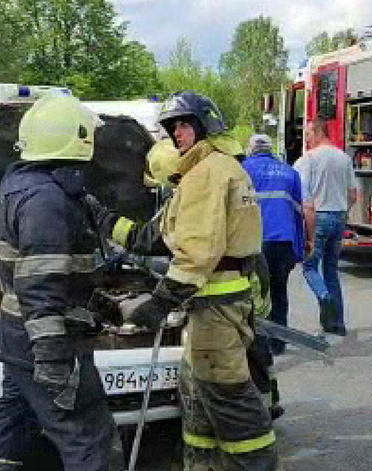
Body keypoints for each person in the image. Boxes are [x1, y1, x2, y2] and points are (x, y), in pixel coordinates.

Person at [117, 91, 278, 471]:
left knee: (230, 400)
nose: (177, 135)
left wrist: (159, 302)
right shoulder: (216, 167)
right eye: (172, 128)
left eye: (184, 126)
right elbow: (162, 237)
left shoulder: (207, 174)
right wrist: (106, 222)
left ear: (206, 125)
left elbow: (197, 253)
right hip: (214, 306)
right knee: (197, 399)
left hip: (214, 309)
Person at [0, 96, 112, 471]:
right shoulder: (46, 199)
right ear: (75, 138)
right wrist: (51, 354)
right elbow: (41, 280)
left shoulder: (26, 185)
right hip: (46, 337)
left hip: (18, 331)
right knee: (88, 438)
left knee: (12, 422)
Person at [242, 133, 304, 355]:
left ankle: (259, 342)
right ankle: (278, 343)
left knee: (255, 294)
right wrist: (300, 247)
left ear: (251, 149)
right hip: (284, 242)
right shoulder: (290, 172)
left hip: (256, 242)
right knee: (279, 291)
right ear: (270, 149)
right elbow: (299, 213)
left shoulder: (243, 169)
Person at [294, 119, 358, 336]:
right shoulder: (344, 158)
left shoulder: (308, 160)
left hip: (318, 217)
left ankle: (324, 297)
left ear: (319, 132)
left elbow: (306, 200)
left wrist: (308, 232)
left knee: (309, 266)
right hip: (339, 216)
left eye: (308, 133)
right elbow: (353, 195)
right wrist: (342, 211)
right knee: (331, 271)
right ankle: (337, 323)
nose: (306, 138)